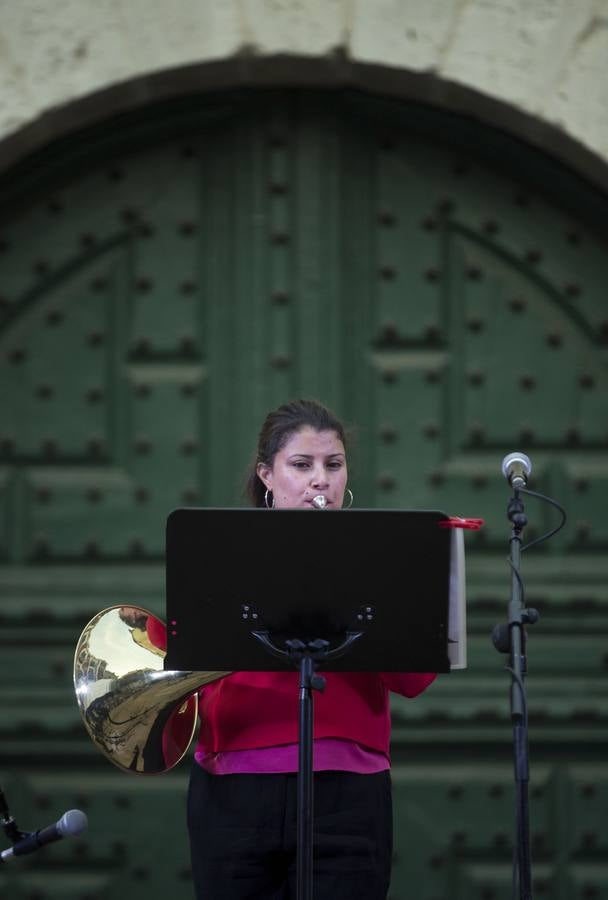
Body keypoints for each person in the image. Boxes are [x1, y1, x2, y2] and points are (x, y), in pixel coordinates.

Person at [186, 398, 436, 900]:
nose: (320, 479)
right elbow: (194, 676)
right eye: (301, 465)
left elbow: (414, 680)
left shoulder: (377, 559)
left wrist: (373, 580)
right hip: (235, 790)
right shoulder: (220, 554)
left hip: (347, 791)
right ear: (267, 476)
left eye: (333, 465)